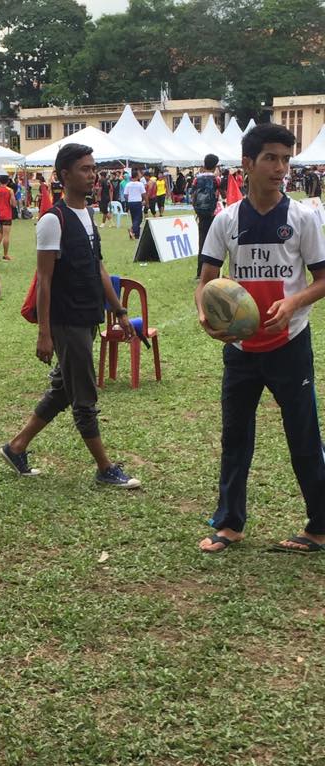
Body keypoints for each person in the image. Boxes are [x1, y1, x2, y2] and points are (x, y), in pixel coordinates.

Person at [196, 122, 325, 554]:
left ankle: (320, 527)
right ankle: (229, 524)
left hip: (290, 344)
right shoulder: (226, 220)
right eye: (271, 158)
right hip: (241, 349)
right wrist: (205, 314)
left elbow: (322, 279)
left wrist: (293, 303)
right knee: (235, 437)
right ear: (247, 164)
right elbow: (206, 280)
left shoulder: (302, 218)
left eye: (286, 159)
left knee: (303, 437)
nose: (280, 168)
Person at [0, 143, 141, 489]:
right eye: (84, 169)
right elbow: (44, 280)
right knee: (84, 397)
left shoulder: (88, 215)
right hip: (67, 320)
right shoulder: (53, 219)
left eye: (93, 169)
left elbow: (99, 266)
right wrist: (44, 333)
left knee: (65, 389)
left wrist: (119, 310)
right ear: (65, 175)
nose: (92, 175)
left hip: (88, 315)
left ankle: (16, 447)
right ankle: (105, 468)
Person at [192, 153, 220, 279]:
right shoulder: (216, 180)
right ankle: (214, 273)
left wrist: (197, 209)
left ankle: (200, 272)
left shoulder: (197, 179)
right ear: (215, 166)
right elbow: (221, 193)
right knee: (214, 244)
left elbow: (193, 195)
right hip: (213, 214)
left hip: (201, 214)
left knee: (202, 242)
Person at [0, 174, 16, 261]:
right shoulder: (10, 190)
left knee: (0, 232)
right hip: (6, 215)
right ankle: (5, 255)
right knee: (6, 235)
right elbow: (13, 204)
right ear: (8, 181)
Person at [123, 170, 146, 239]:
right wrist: (145, 200)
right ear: (137, 176)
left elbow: (125, 195)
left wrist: (129, 200)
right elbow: (144, 194)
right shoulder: (140, 184)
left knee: (134, 218)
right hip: (138, 202)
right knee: (139, 218)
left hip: (130, 202)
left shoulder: (128, 184)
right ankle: (132, 229)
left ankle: (136, 235)